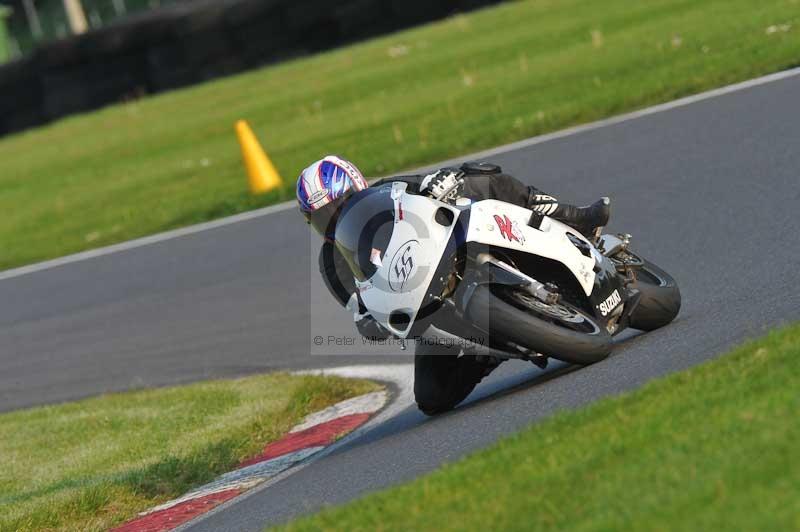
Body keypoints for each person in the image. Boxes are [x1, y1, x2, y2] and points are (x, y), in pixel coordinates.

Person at [297, 155, 610, 415]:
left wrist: (444, 182)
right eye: (322, 218)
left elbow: (430, 184)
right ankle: (487, 352)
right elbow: (358, 307)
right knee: (431, 397)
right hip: (430, 311)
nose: (335, 220)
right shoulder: (331, 264)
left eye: (338, 207)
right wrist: (370, 321)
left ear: (356, 186)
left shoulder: (389, 192)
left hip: (455, 252)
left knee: (484, 178)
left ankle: (574, 217)